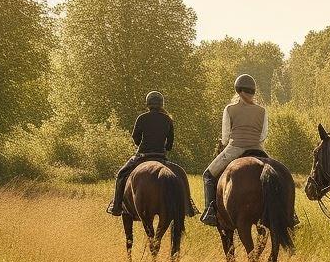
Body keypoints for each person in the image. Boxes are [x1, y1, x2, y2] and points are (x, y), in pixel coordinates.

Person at [107, 91, 199, 218]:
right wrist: (164, 147)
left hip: (142, 156)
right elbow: (170, 144)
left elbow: (135, 138)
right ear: (161, 104)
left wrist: (141, 144)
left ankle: (116, 205)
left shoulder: (142, 118)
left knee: (121, 174)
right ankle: (188, 206)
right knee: (181, 174)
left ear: (148, 104)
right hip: (161, 157)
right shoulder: (168, 120)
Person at [200, 74, 269, 225]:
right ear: (253, 91)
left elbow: (225, 138)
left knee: (208, 175)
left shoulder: (229, 109)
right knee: (276, 173)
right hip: (258, 149)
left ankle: (210, 211)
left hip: (235, 148)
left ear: (238, 90)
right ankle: (291, 214)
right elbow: (263, 136)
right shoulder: (262, 111)